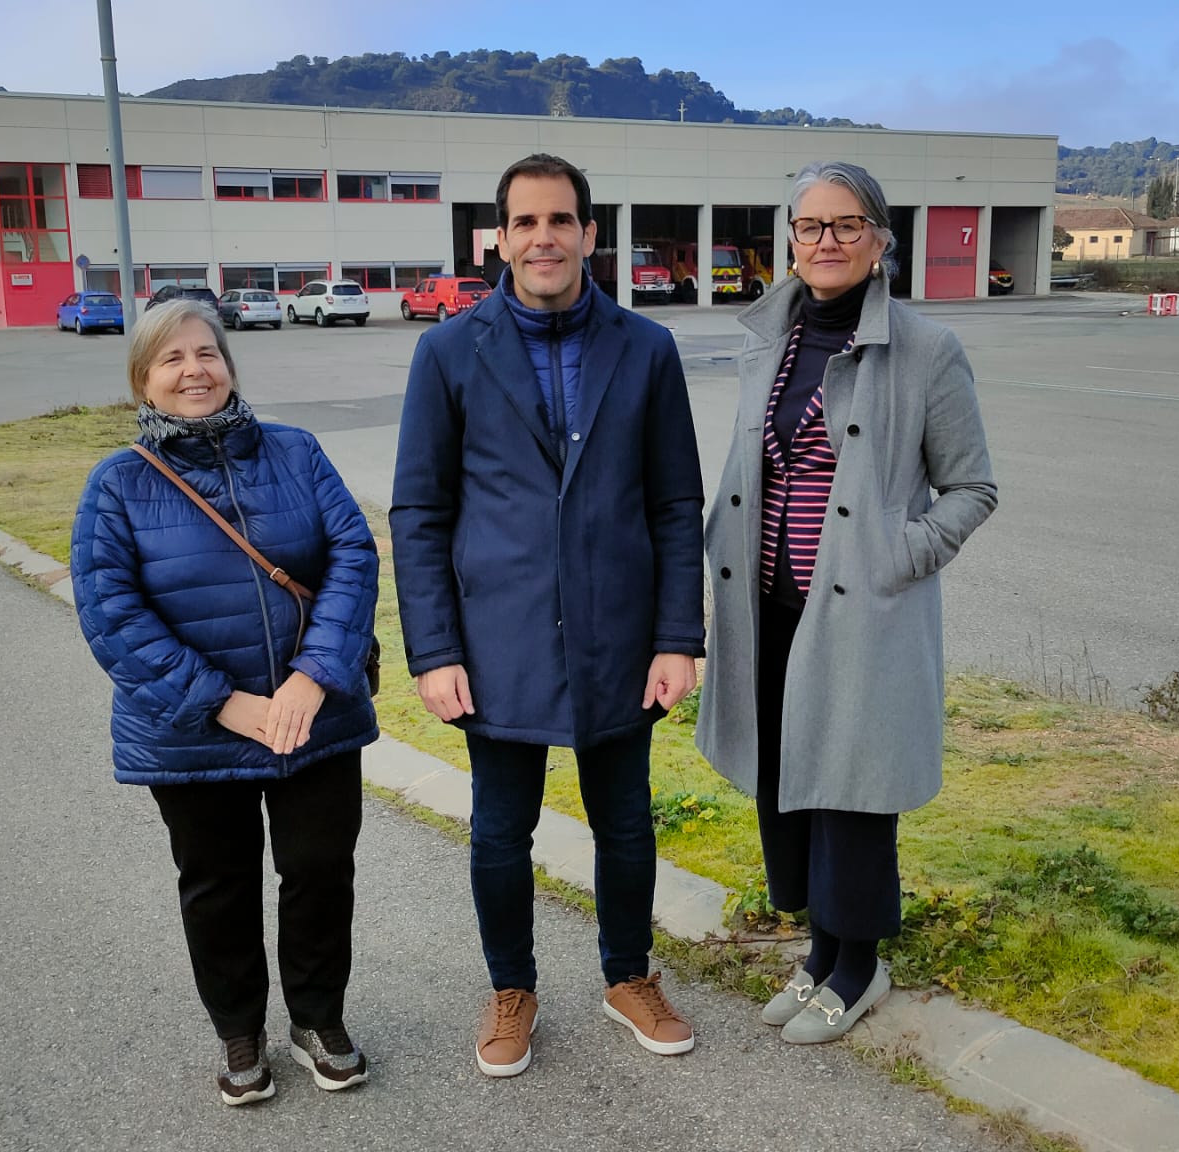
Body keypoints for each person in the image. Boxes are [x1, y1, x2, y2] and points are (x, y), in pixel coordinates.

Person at [391, 153, 707, 1078]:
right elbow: (421, 512)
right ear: (499, 237)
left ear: (589, 234)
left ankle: (628, 977)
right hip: (499, 641)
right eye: (525, 223)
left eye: (560, 220)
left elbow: (674, 504)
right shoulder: (449, 351)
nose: (543, 238)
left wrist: (677, 636)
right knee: (499, 830)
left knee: (627, 823)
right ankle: (512, 988)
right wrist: (435, 648)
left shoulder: (645, 349)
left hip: (619, 635)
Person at [695, 161, 998, 1044]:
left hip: (863, 609)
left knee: (853, 791)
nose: (825, 242)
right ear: (788, 239)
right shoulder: (770, 340)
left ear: (880, 240)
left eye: (846, 225)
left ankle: (859, 965)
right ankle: (819, 949)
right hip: (770, 607)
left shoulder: (928, 349)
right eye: (809, 226)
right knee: (790, 781)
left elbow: (972, 486)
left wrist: (903, 553)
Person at [70, 299, 380, 1106]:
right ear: (144, 378)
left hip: (314, 716)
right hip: (194, 732)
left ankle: (317, 1019)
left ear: (230, 366)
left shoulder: (296, 452)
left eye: (206, 353)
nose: (194, 371)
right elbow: (111, 612)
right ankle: (239, 1030)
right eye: (171, 360)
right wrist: (223, 704)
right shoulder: (119, 484)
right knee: (218, 883)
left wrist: (313, 676)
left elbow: (352, 553)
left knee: (318, 872)